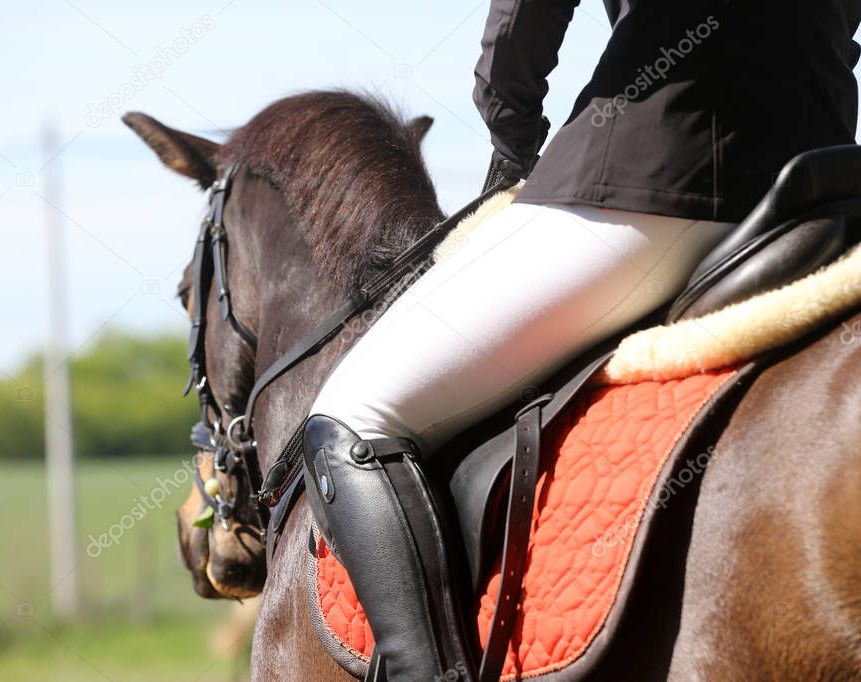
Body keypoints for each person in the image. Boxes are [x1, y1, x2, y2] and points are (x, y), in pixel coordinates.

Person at [302, 1, 861, 679]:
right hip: (815, 181)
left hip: (647, 178)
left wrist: (512, 146)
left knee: (354, 418)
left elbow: (520, 22)